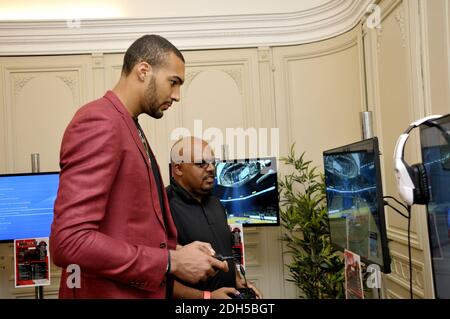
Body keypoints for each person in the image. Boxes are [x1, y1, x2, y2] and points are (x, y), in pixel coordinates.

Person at [50, 35, 227, 299]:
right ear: (143, 71)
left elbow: (129, 228)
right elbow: (70, 242)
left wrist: (178, 251)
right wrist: (170, 261)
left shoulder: (128, 125)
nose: (177, 96)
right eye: (173, 82)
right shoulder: (100, 121)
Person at [166, 137, 262, 299]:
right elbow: (157, 277)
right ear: (178, 168)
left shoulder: (216, 203)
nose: (211, 168)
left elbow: (226, 249)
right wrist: (206, 297)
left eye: (212, 162)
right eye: (201, 163)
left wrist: (238, 279)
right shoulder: (162, 206)